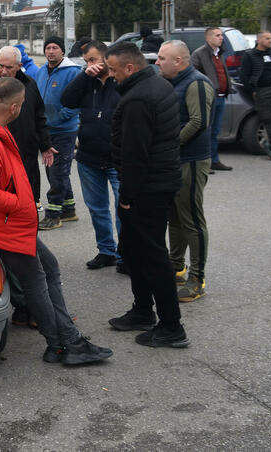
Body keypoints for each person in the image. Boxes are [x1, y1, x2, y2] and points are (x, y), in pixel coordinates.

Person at [0, 76, 112, 365]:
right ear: (14, 108)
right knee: (37, 280)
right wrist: (20, 204)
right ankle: (63, 345)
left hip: (6, 222)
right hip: (1, 225)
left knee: (49, 270)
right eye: (21, 105)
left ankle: (66, 339)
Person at [105, 42, 188, 348]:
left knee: (152, 255)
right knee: (131, 249)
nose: (110, 75)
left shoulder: (139, 99)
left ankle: (171, 326)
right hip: (156, 182)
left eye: (113, 70)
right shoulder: (157, 83)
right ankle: (142, 311)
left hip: (146, 188)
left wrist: (127, 195)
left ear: (130, 68)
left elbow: (135, 153)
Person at [157, 40, 214, 303]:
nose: (157, 62)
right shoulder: (172, 81)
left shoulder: (196, 83)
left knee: (191, 219)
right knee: (175, 217)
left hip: (190, 160)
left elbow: (198, 122)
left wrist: (170, 144)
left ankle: (197, 278)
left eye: (162, 58)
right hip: (173, 160)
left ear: (178, 61)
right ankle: (176, 266)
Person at [60, 40, 123, 271]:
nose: (90, 65)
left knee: (122, 210)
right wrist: (85, 76)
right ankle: (106, 251)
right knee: (97, 209)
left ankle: (124, 254)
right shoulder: (86, 81)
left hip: (117, 158)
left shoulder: (120, 81)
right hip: (89, 157)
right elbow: (66, 100)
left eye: (94, 59)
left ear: (107, 58)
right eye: (87, 61)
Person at [34, 35, 81, 230]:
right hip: (46, 129)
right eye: (48, 48)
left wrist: (63, 115)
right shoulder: (41, 71)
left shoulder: (73, 72)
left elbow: (79, 100)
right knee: (55, 170)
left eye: (55, 48)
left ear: (62, 51)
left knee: (57, 172)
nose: (50, 51)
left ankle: (53, 215)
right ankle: (69, 210)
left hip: (64, 130)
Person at [0, 46, 53, 206]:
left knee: (27, 195)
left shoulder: (29, 85)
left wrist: (46, 145)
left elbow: (39, 117)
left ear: (19, 66)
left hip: (26, 149)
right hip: (0, 150)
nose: (3, 71)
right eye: (0, 66)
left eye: (9, 67)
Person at [190, 26, 235, 173]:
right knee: (205, 131)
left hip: (221, 97)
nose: (221, 38)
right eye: (217, 35)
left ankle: (214, 160)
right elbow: (193, 74)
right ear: (208, 38)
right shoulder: (199, 54)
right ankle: (203, 161)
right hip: (209, 98)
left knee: (215, 132)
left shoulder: (219, 53)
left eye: (221, 35)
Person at [241, 31, 271, 159]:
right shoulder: (249, 55)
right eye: (267, 38)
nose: (270, 40)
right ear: (259, 40)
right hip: (263, 90)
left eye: (270, 38)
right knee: (268, 118)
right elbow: (244, 75)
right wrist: (252, 90)